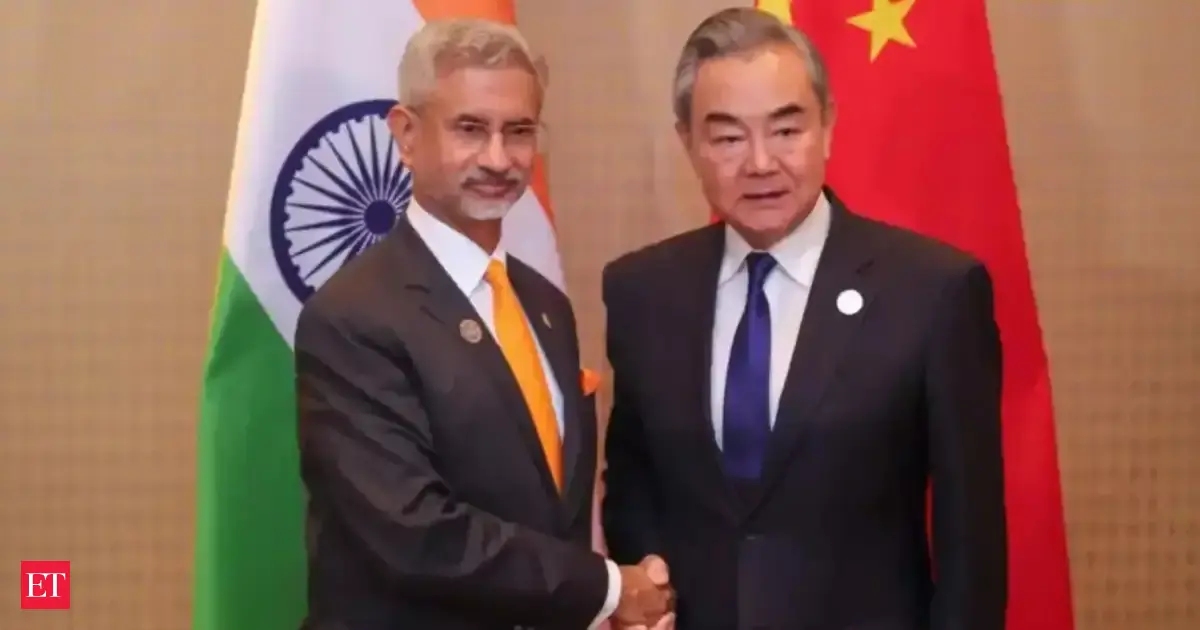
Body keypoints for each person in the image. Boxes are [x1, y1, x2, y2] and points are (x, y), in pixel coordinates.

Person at [600, 7, 1008, 630]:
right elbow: (635, 485)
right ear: (688, 143)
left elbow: (970, 543)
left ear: (827, 127)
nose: (761, 163)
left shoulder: (932, 292)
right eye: (728, 138)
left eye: (787, 130)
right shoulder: (642, 291)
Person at [294, 18, 673, 630]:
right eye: (470, 129)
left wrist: (601, 606)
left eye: (518, 131)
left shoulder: (545, 306)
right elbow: (414, 535)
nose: (498, 159)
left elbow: (552, 515)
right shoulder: (352, 317)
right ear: (407, 134)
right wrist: (608, 590)